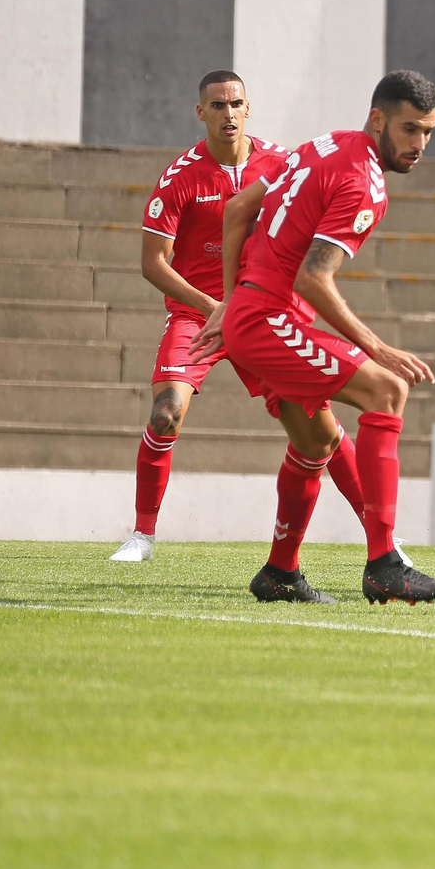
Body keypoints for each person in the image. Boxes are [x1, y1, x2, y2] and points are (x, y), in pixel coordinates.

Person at [191, 70, 435, 605]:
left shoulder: (326, 143)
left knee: (315, 443)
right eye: (409, 130)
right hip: (267, 320)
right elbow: (314, 277)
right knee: (387, 389)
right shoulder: (366, 182)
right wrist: (377, 347)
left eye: (428, 132)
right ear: (378, 119)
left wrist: (229, 299)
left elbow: (240, 209)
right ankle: (384, 564)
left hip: (254, 313)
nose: (419, 144)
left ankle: (279, 573)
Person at [110, 71, 368, 563]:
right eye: (217, 105)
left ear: (248, 108)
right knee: (166, 415)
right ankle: (141, 537)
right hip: (199, 314)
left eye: (236, 103)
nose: (228, 113)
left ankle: (383, 539)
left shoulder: (280, 162)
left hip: (260, 311)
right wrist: (213, 308)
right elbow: (151, 264)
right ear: (200, 113)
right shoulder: (181, 176)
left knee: (323, 428)